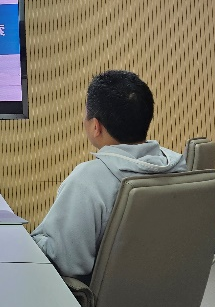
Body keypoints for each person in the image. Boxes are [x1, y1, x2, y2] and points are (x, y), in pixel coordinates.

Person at [31, 70, 186, 282]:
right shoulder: (181, 167)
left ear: (96, 126)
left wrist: (29, 241)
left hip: (94, 299)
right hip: (166, 291)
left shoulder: (87, 180)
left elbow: (65, 260)